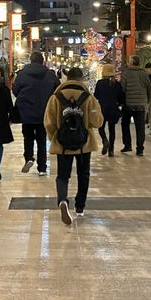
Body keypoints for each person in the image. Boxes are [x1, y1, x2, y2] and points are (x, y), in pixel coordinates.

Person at [44, 67, 103, 225]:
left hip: (63, 144)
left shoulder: (55, 97)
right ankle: (80, 207)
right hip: (84, 144)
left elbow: (48, 122)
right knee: (84, 175)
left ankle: (63, 201)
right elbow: (97, 122)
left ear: (66, 78)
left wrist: (55, 137)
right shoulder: (88, 97)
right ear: (81, 79)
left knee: (63, 176)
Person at [13, 51, 59, 176]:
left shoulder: (22, 74)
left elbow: (15, 90)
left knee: (27, 137)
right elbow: (57, 90)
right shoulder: (50, 75)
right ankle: (42, 168)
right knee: (41, 140)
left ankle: (28, 157)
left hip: (26, 112)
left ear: (31, 61)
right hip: (44, 113)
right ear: (42, 61)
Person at [120, 54, 150, 156]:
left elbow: (122, 89)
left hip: (128, 104)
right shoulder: (144, 73)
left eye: (129, 60)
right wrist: (147, 100)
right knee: (140, 127)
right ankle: (140, 149)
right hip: (141, 105)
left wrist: (121, 102)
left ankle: (127, 145)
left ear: (132, 62)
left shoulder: (126, 73)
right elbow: (149, 87)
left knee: (125, 124)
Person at [94, 64, 124, 156]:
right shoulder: (117, 84)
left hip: (102, 109)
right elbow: (121, 98)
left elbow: (96, 96)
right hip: (113, 109)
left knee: (101, 127)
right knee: (112, 129)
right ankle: (111, 150)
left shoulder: (100, 83)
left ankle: (104, 140)